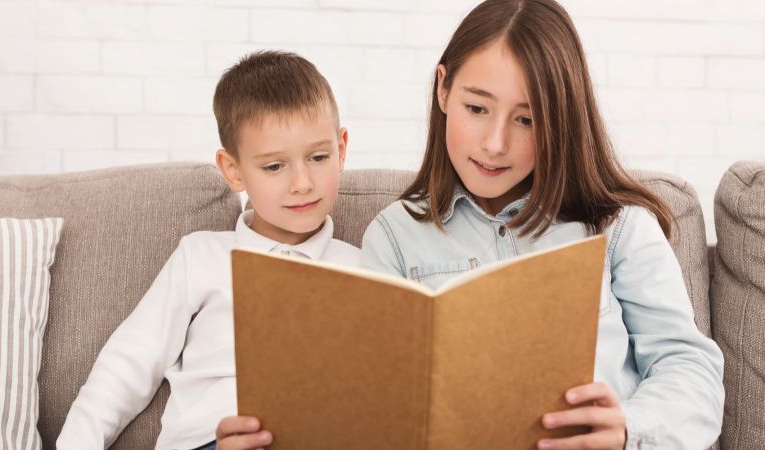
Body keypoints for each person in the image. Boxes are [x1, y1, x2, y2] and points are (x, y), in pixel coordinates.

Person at [360, 1, 724, 449]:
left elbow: (690, 368)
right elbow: (376, 399)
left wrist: (629, 428)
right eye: (477, 108)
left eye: (527, 119)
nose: (495, 144)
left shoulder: (618, 227)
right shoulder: (394, 237)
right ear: (443, 90)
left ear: (561, 121)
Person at [57, 50, 359, 450]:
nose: (302, 182)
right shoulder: (201, 257)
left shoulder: (363, 268)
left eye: (318, 157)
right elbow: (129, 362)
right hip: (207, 442)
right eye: (274, 167)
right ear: (233, 170)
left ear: (341, 149)